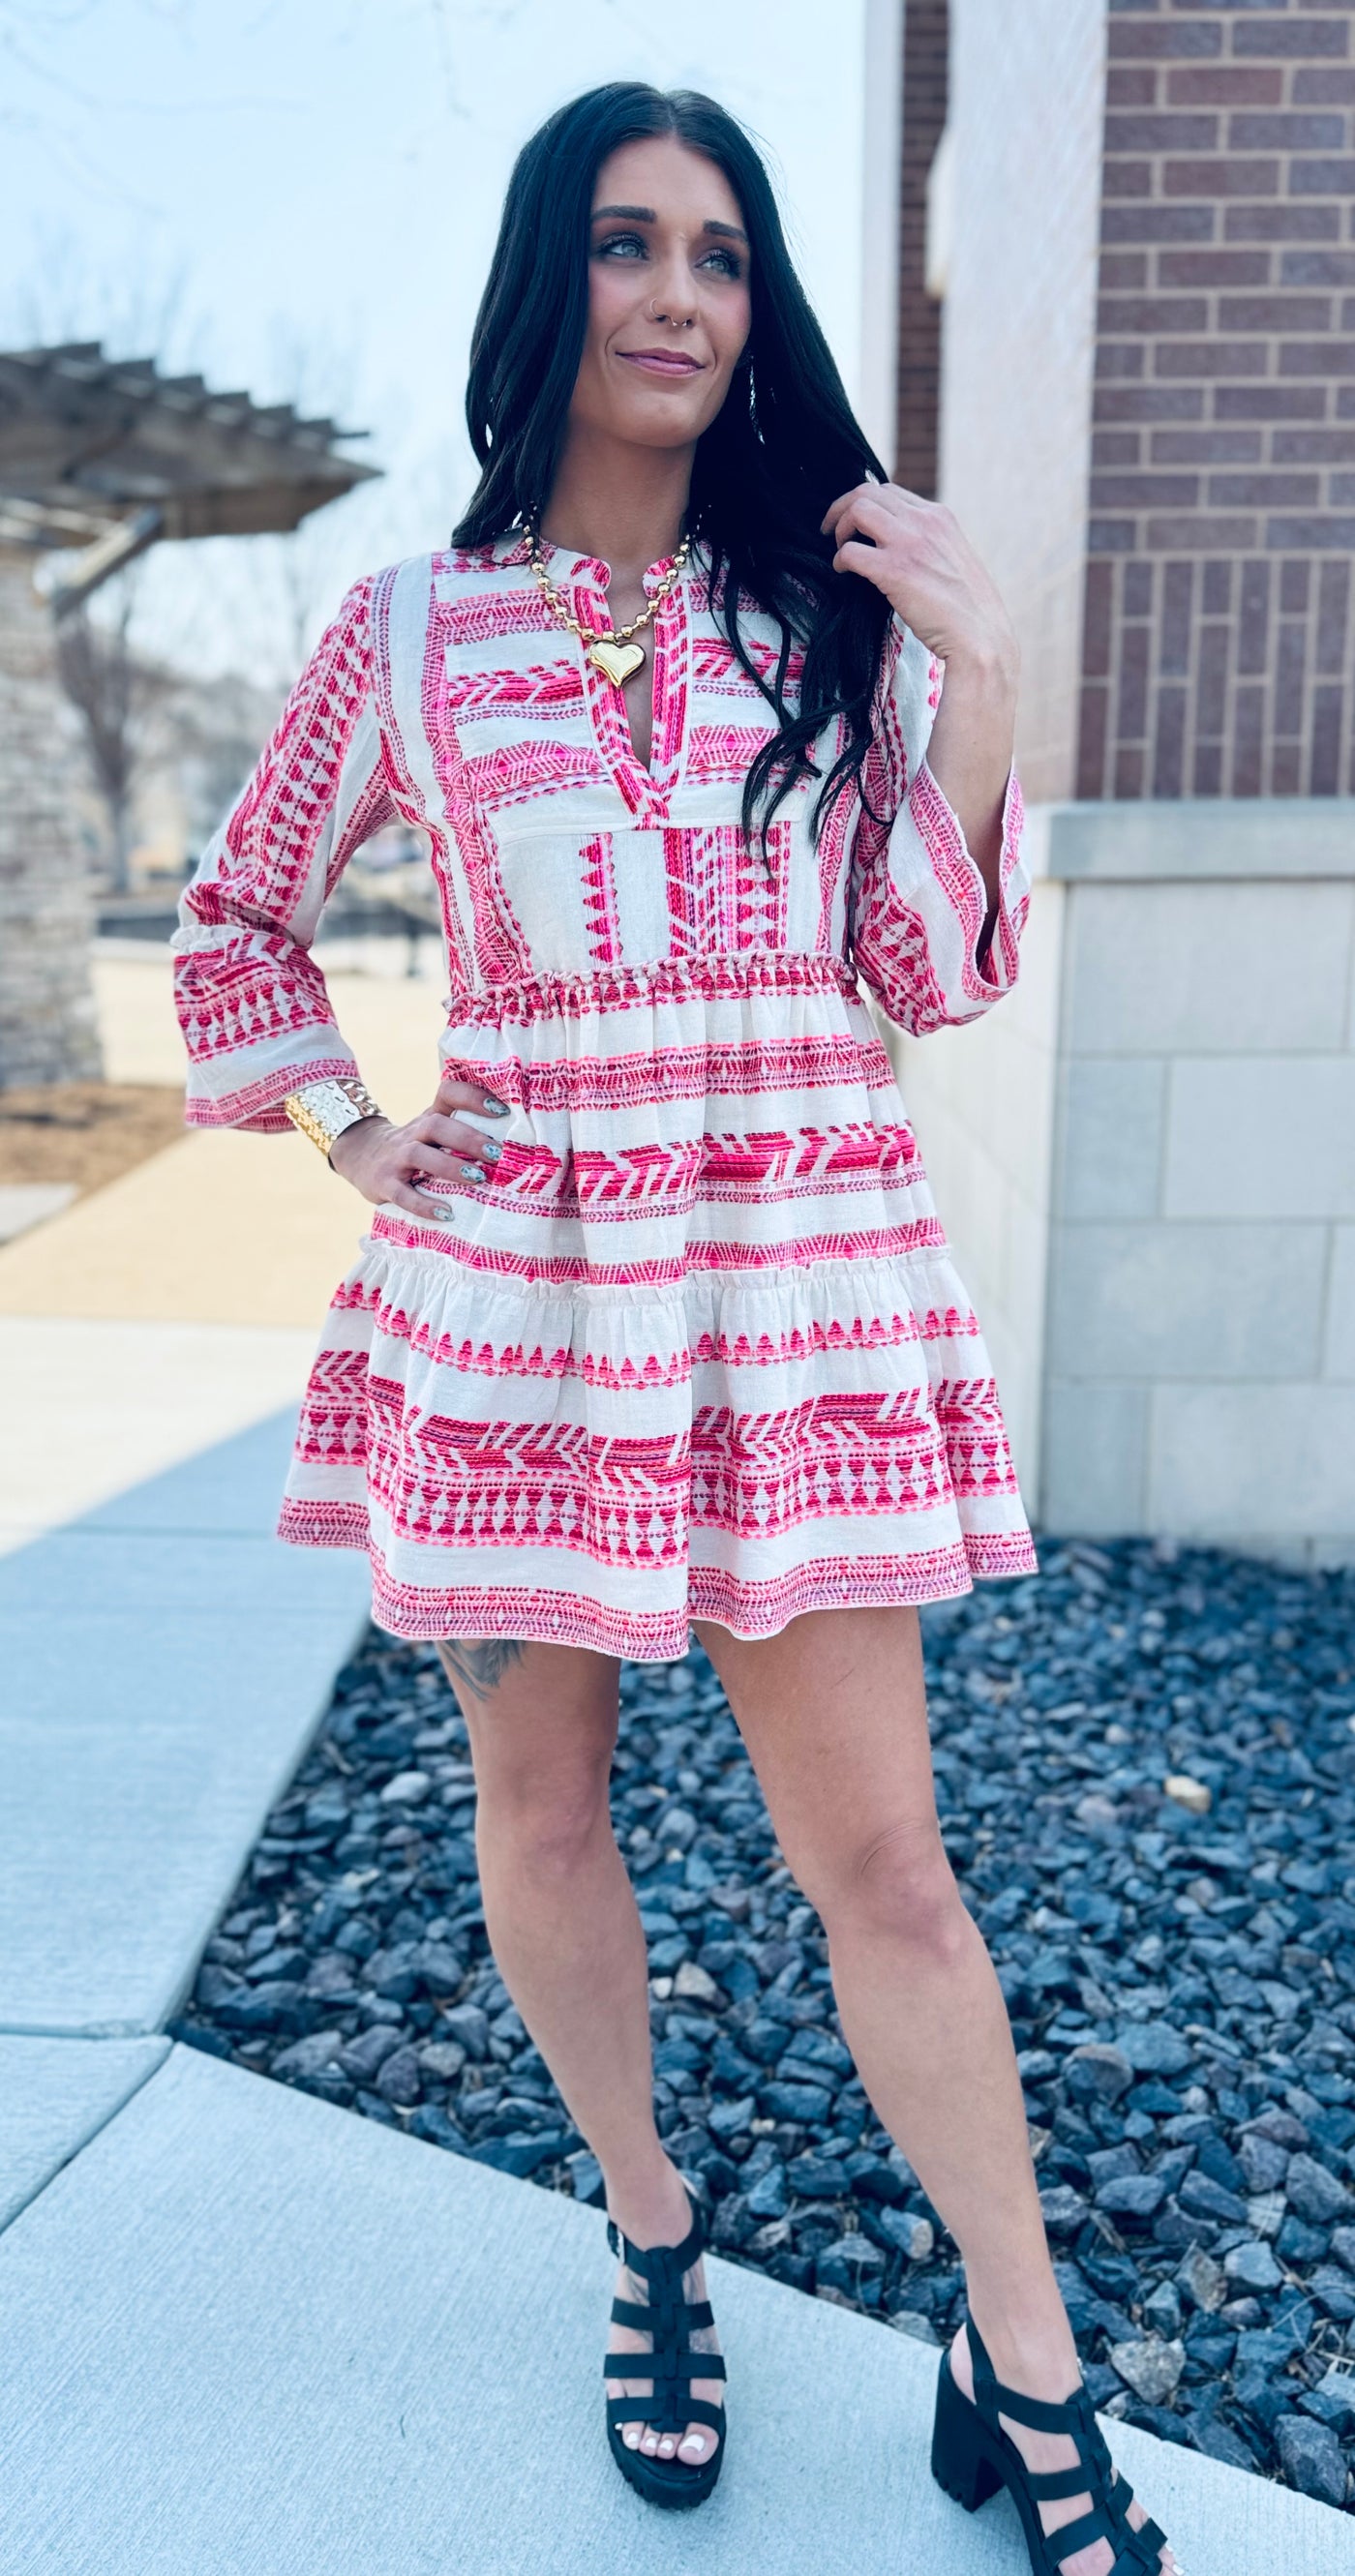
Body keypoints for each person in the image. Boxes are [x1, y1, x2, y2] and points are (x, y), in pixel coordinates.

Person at [173, 81, 1181, 2576]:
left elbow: (929, 972)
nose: (678, 296)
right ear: (551, 283)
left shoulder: (811, 618)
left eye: (720, 255)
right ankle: (649, 2236)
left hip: (806, 1302)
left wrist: (980, 675)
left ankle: (1020, 2365)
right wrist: (345, 1129)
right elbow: (235, 918)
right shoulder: (409, 636)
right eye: (627, 246)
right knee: (544, 1813)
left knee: (894, 1879)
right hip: (513, 1319)